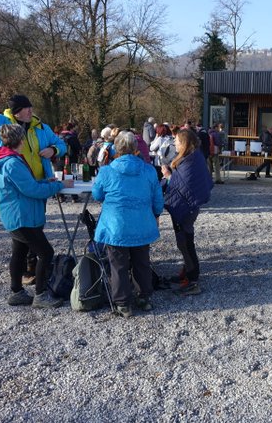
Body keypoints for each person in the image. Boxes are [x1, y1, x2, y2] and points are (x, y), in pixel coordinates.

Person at [0, 75, 67, 282]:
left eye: (31, 107)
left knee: (35, 227)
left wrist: (53, 149)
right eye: (26, 108)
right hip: (17, 183)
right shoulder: (3, 123)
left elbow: (62, 145)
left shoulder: (41, 127)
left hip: (40, 183)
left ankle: (32, 269)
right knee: (25, 230)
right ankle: (28, 274)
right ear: (16, 112)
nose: (31, 111)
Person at [0, 124, 70, 308]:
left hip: (15, 214)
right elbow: (31, 190)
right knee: (46, 253)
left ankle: (17, 292)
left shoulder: (3, 158)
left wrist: (44, 181)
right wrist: (58, 185)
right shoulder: (12, 163)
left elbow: (25, 184)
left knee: (19, 252)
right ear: (21, 140)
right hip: (22, 216)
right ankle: (41, 295)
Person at [91, 131, 163, 318]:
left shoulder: (106, 171)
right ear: (136, 149)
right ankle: (144, 297)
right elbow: (157, 199)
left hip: (116, 225)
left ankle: (123, 303)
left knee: (118, 265)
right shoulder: (148, 170)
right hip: (141, 224)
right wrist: (156, 214)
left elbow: (97, 195)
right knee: (142, 262)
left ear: (116, 148)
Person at [161, 128, 213, 295]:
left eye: (176, 141)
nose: (174, 143)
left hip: (186, 208)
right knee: (185, 242)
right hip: (188, 207)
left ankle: (193, 280)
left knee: (185, 243)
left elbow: (183, 186)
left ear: (183, 143)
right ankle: (187, 273)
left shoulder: (190, 160)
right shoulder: (194, 156)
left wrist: (168, 175)